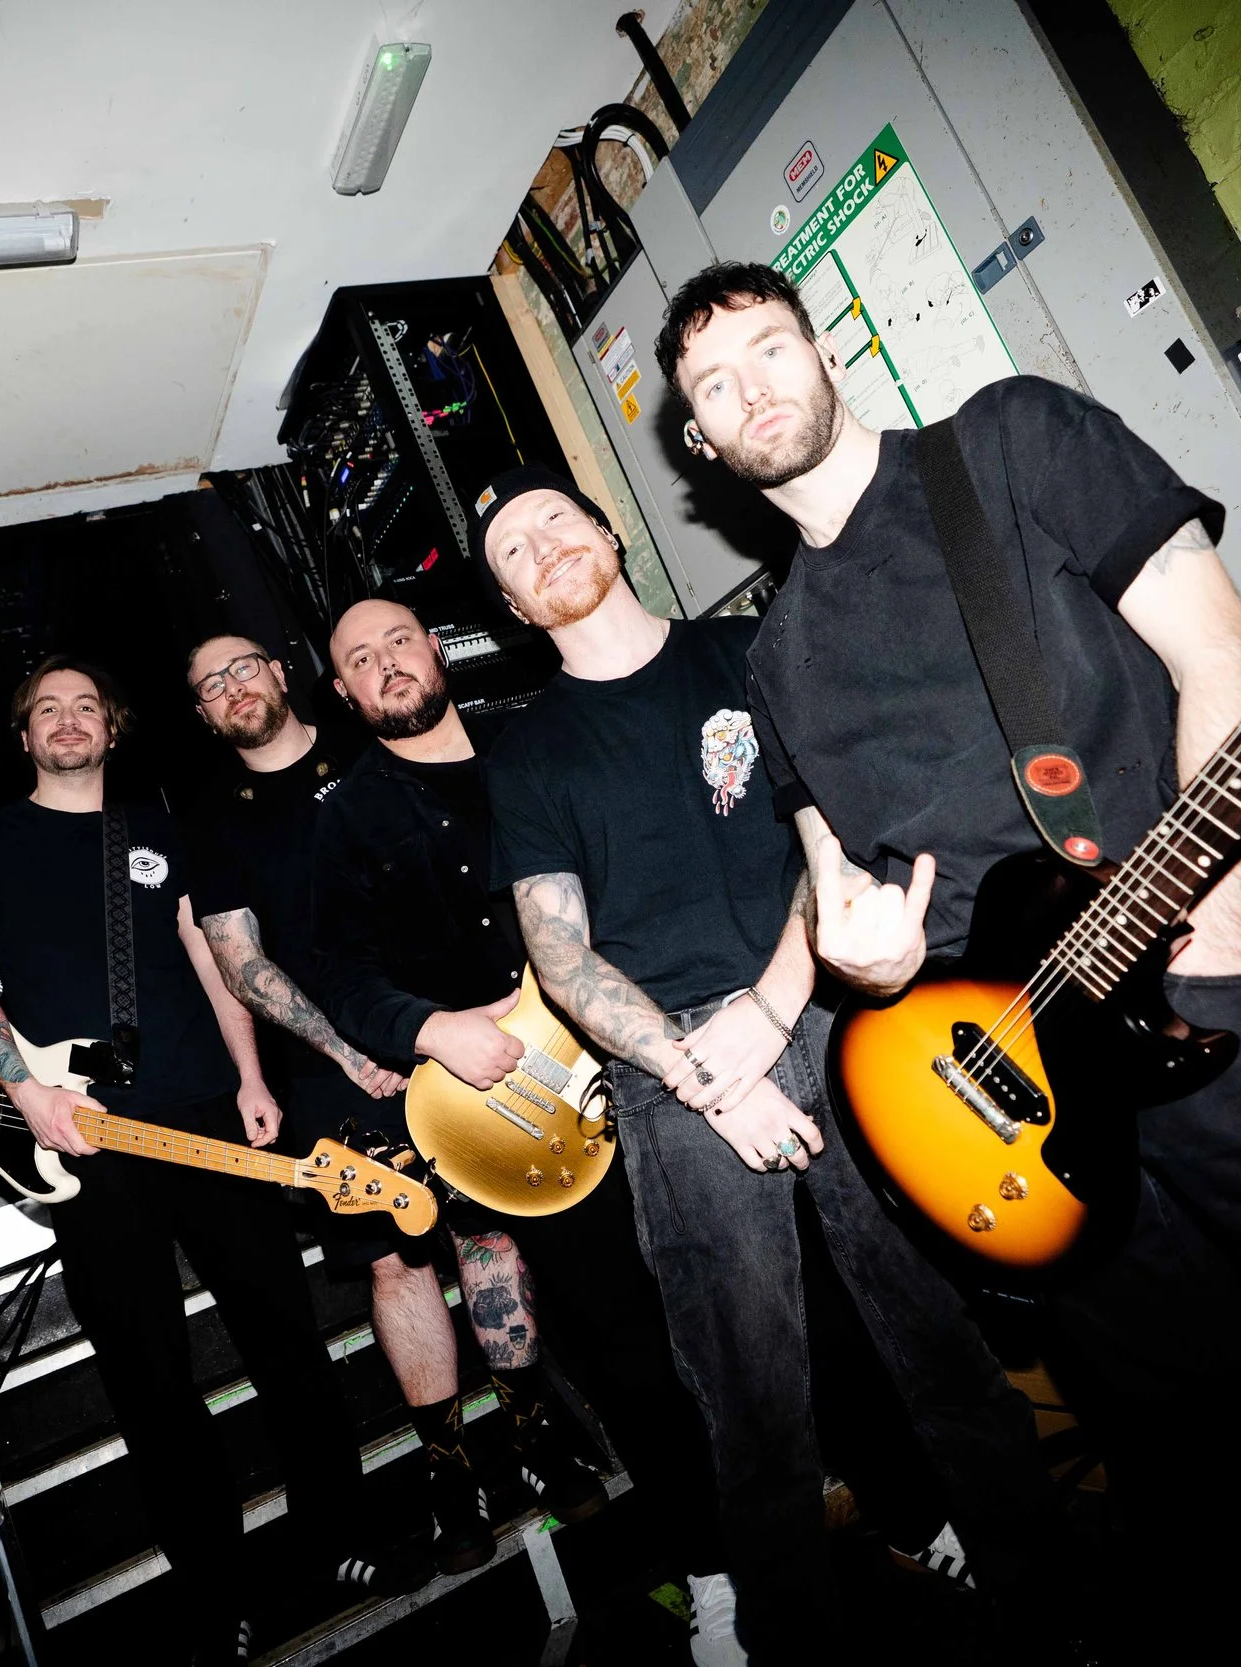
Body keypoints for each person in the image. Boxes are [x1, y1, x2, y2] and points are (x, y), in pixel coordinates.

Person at [654, 259, 1241, 1648]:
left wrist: (1218, 926)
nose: (753, 390)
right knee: (1209, 1460)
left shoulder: (1011, 439)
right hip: (1003, 1108)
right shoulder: (775, 658)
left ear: (826, 352)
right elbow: (830, 878)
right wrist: (860, 968)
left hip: (1190, 994)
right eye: (715, 387)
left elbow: (1224, 659)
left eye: (770, 348)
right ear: (699, 442)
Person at [469, 469, 1076, 1662]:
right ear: (515, 610)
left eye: (554, 521)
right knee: (747, 1394)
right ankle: (793, 1635)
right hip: (673, 1070)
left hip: (836, 1013)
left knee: (936, 1332)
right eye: (513, 555)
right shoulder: (527, 750)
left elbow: (834, 836)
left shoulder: (748, 652)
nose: (542, 549)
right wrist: (707, 1074)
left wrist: (774, 1002)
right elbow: (560, 951)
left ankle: (1053, 1599)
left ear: (607, 530)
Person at [0, 656, 423, 1666]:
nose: (69, 720)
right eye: (47, 709)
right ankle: (216, 1589)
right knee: (149, 1376)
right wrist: (30, 1095)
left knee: (285, 1333)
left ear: (111, 728)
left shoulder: (156, 827)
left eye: (86, 706)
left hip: (204, 1113)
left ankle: (341, 1531)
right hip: (87, 1139)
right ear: (24, 736)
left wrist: (250, 1075)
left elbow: (210, 958)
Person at [311, 596, 756, 1665]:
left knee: (758, 1287)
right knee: (622, 1347)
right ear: (343, 691)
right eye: (359, 658)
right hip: (520, 1122)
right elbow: (338, 972)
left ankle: (892, 1494)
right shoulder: (346, 818)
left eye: (399, 640)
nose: (386, 664)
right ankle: (711, 1570)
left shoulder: (540, 734)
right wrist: (431, 1029)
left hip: (649, 1062)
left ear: (437, 647)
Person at [181, 630, 606, 1581]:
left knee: (490, 1232)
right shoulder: (212, 821)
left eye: (245, 666)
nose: (234, 687)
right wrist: (346, 1049)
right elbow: (240, 963)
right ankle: (451, 1468)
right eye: (211, 684)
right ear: (204, 714)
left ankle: (535, 1430)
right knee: (394, 1260)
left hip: (457, 1031)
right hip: (335, 1069)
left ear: (282, 674)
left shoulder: (374, 744)